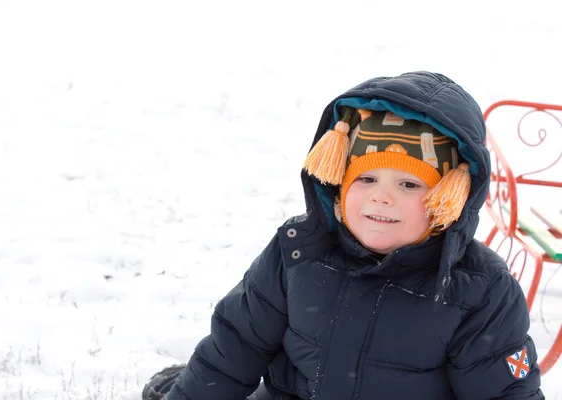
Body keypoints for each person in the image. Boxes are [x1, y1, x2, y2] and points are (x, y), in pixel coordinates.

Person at [142, 71, 545, 399]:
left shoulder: (478, 291)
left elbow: (505, 393)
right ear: (339, 183)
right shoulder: (299, 250)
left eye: (409, 185)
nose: (381, 198)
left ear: (449, 198)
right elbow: (234, 349)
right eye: (366, 178)